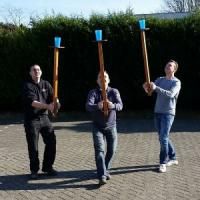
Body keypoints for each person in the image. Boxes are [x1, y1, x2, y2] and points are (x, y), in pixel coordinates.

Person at [143, 59, 181, 173]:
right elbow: (150, 90)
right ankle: (173, 157)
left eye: (170, 65)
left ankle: (163, 162)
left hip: (168, 113)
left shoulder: (176, 82)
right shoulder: (160, 79)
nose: (167, 66)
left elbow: (170, 94)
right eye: (166, 65)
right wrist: (146, 87)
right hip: (157, 112)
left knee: (163, 138)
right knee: (162, 137)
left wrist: (156, 88)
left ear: (174, 69)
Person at [86, 71, 123, 185]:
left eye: (105, 77)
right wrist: (98, 105)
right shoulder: (93, 93)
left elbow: (120, 105)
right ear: (97, 81)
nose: (103, 79)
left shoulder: (114, 91)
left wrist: (113, 105)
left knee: (112, 150)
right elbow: (88, 106)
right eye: (100, 77)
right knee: (99, 150)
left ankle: (105, 169)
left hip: (111, 126)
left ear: (109, 80)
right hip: (97, 126)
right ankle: (102, 175)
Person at [23, 64, 58, 179]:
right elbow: (33, 102)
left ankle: (47, 167)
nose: (36, 71)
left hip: (44, 118)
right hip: (31, 120)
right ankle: (34, 170)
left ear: (41, 72)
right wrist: (48, 106)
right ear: (30, 73)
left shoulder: (46, 84)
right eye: (34, 70)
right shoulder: (28, 86)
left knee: (51, 142)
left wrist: (56, 102)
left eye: (38, 69)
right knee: (33, 146)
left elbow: (53, 97)